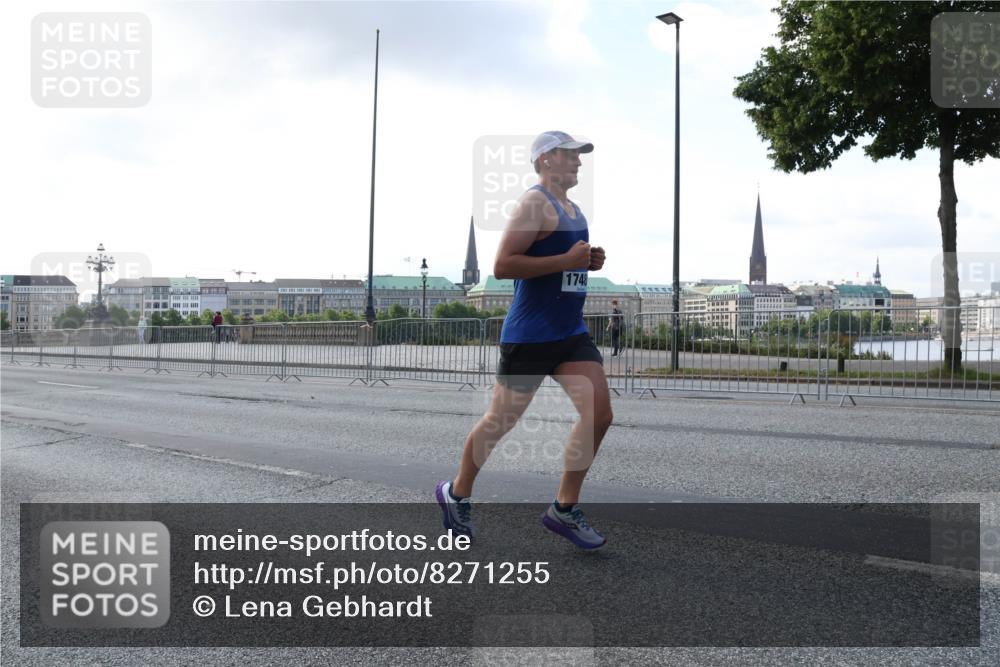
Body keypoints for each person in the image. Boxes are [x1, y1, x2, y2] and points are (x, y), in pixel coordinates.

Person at [436, 131, 612, 549]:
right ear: (545, 159)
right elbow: (503, 265)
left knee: (600, 414)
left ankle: (564, 508)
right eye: (571, 155)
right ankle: (457, 493)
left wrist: (588, 262)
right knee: (499, 421)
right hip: (531, 337)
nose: (579, 162)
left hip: (570, 333)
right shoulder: (534, 203)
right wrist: (566, 259)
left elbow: (563, 266)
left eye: (580, 156)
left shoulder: (574, 209)